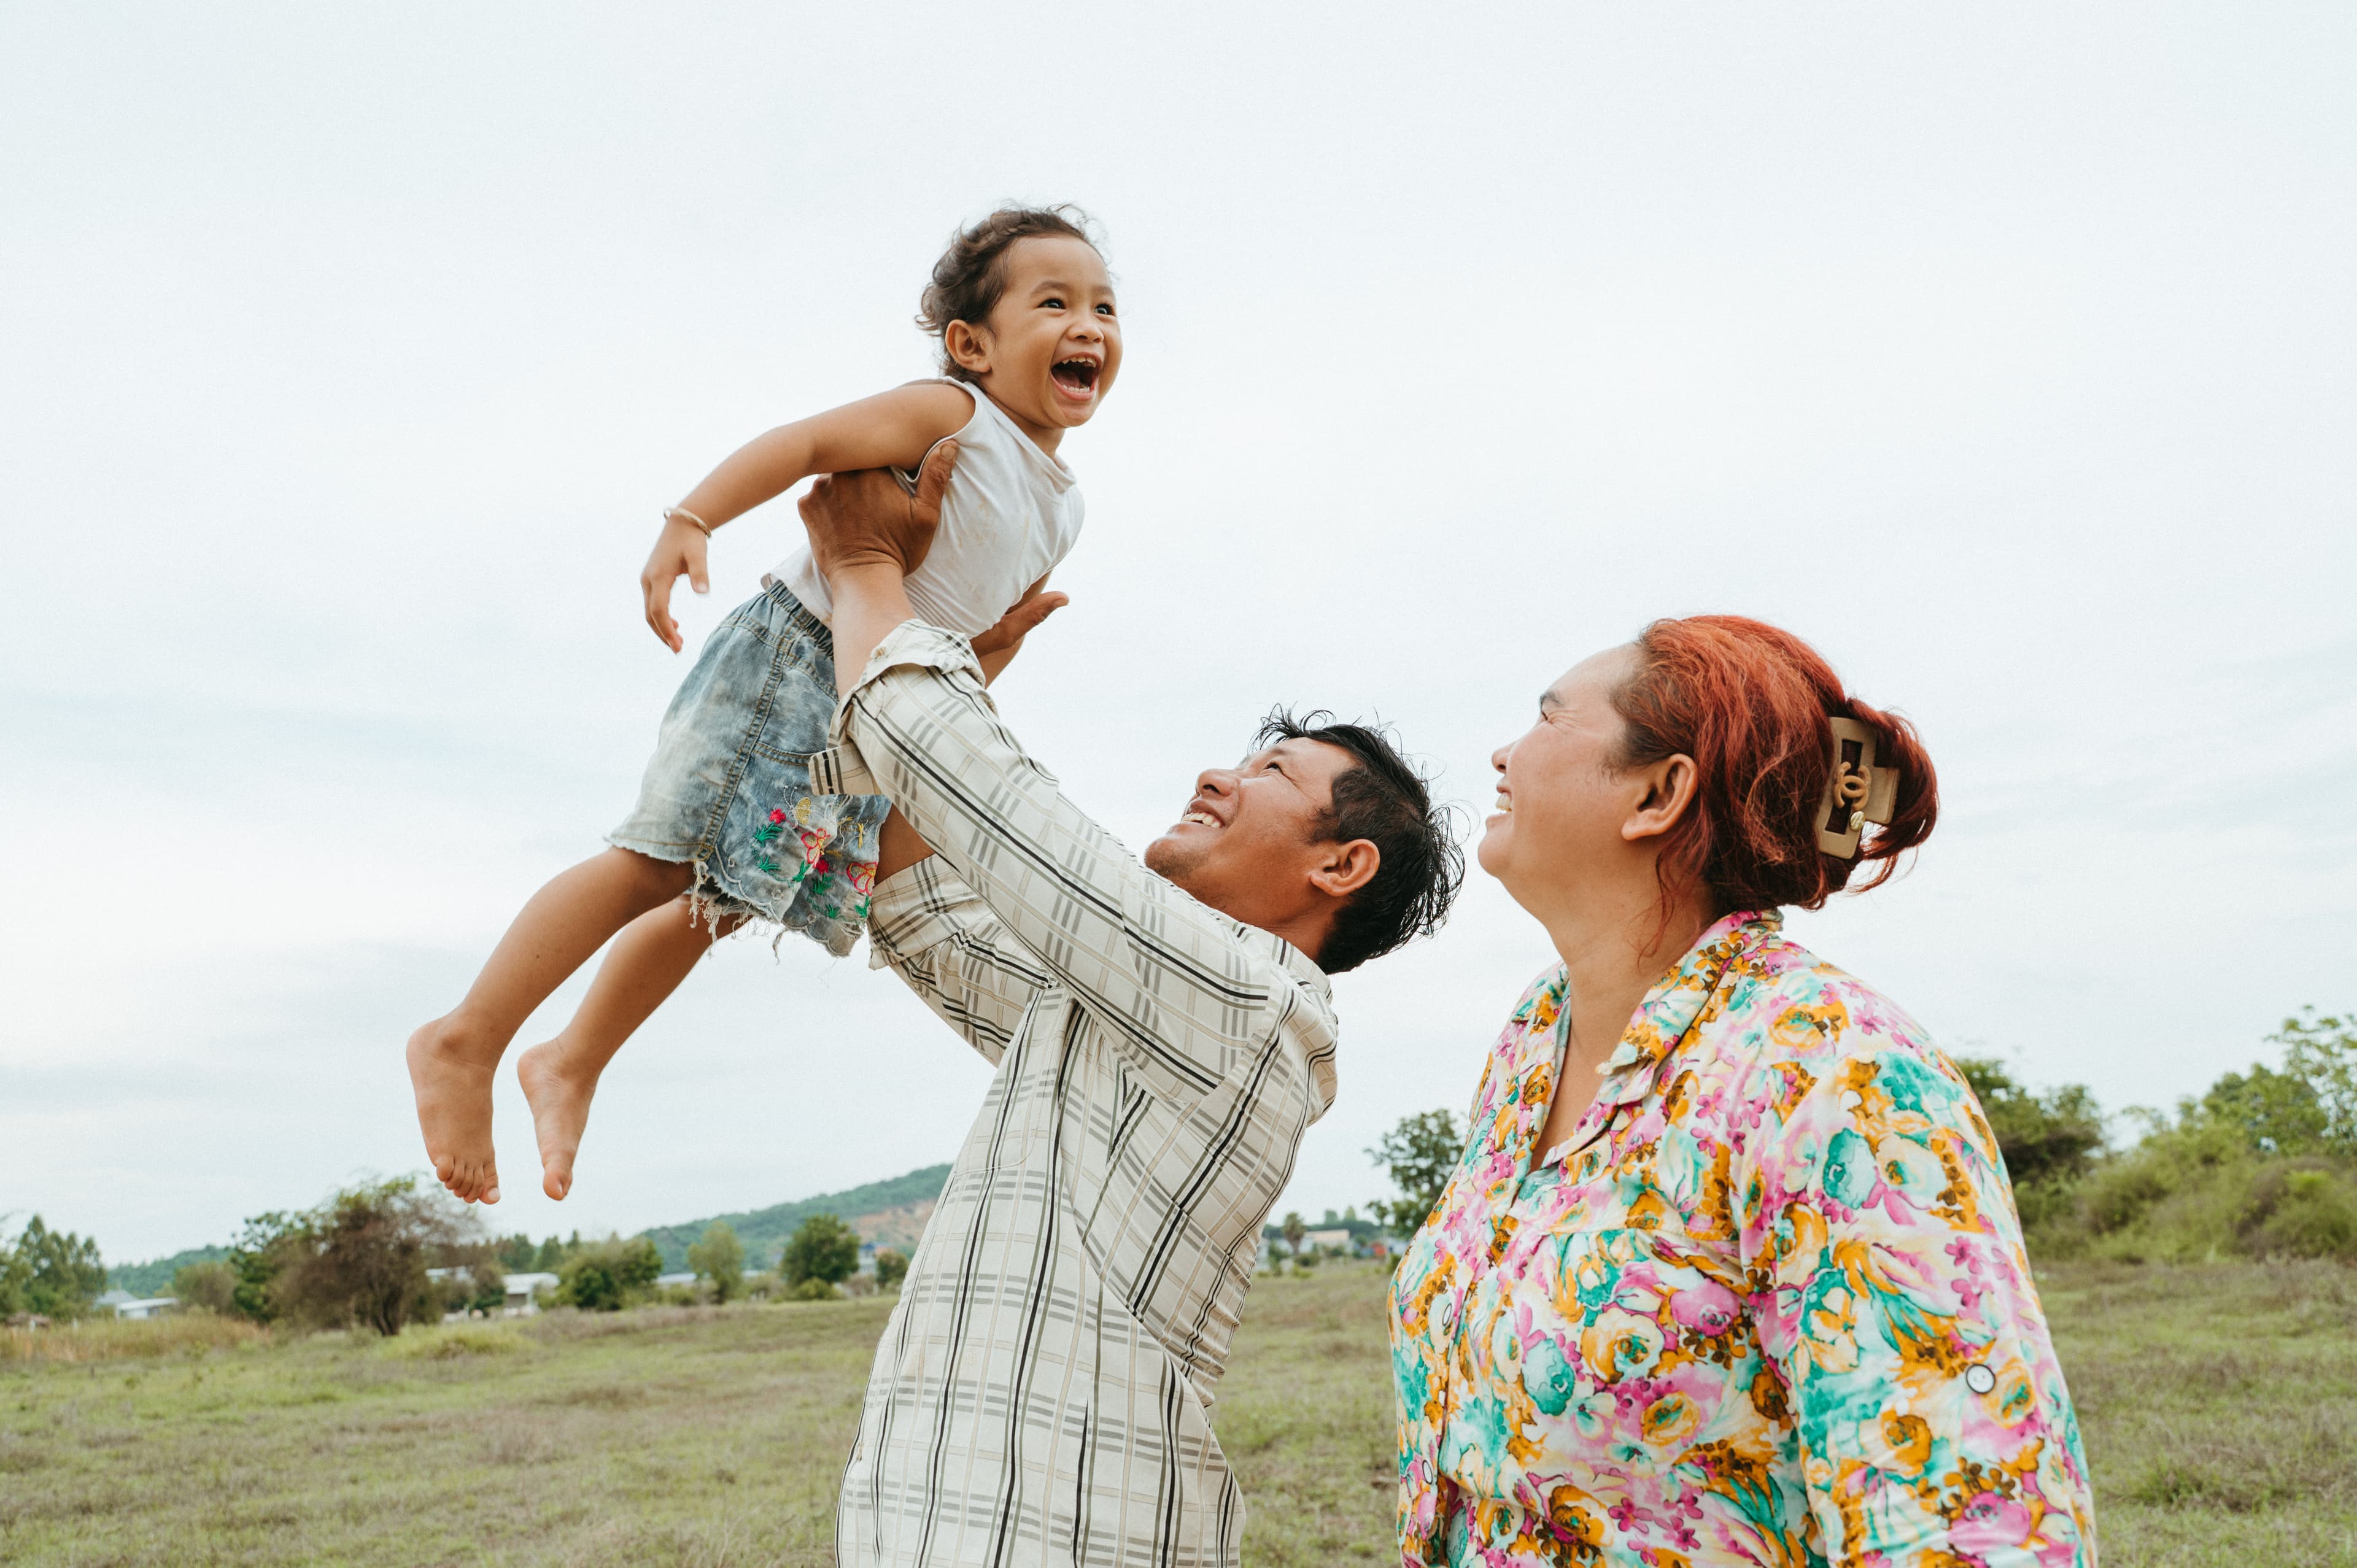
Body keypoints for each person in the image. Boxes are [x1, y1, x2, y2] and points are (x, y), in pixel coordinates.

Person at [795, 447, 1462, 1567]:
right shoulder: (1134, 1014)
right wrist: (961, 668)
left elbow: (988, 799)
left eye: (1273, 775)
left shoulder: (1246, 1009)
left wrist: (866, 564)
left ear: (1340, 868)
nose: (1217, 777)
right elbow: (927, 918)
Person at [406, 205, 1115, 1205]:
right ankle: (464, 1037)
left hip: (870, 709)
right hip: (796, 655)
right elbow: (811, 439)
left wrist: (973, 683)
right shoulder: (952, 414)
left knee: (722, 900)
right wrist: (692, 518)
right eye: (1055, 303)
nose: (1090, 325)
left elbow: (956, 640)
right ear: (972, 346)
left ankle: (571, 1059)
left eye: (1104, 307)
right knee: (657, 859)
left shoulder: (1063, 505)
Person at [1390, 617, 2096, 1566]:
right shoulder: (1533, 1040)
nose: (1503, 754)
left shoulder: (1833, 1069)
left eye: (1549, 721)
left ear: (1659, 792)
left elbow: (1969, 1522)